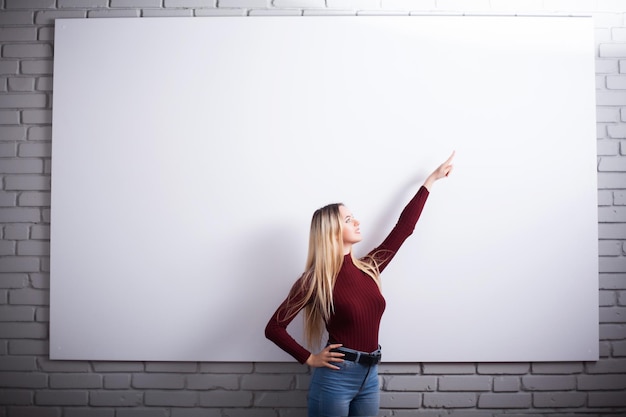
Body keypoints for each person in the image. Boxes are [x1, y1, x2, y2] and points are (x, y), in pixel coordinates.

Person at [265, 152, 455, 417]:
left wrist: (430, 181)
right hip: (335, 379)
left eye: (353, 216)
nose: (357, 221)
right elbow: (274, 328)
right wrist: (309, 358)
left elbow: (404, 229)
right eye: (348, 219)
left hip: (370, 376)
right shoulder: (314, 280)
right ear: (331, 231)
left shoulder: (370, 267)